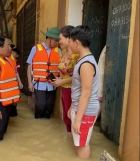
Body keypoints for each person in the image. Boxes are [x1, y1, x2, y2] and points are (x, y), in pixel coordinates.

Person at [67, 25, 99, 159]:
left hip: (85, 112)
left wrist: (78, 119)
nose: (69, 46)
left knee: (82, 145)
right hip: (80, 109)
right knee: (79, 143)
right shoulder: (82, 60)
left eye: (69, 42)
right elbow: (78, 88)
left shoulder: (86, 64)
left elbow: (86, 93)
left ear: (77, 42)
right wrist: (71, 107)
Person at [27, 27, 61, 119]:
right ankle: (38, 120)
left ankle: (46, 122)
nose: (57, 43)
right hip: (39, 83)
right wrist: (30, 83)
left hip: (52, 84)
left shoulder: (58, 50)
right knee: (41, 105)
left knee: (49, 106)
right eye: (55, 40)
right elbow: (29, 66)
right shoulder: (35, 48)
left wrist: (61, 80)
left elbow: (61, 67)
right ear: (48, 38)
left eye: (58, 40)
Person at [51, 26, 79, 137]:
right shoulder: (63, 52)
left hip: (73, 89)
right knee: (66, 117)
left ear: (69, 39)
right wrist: (60, 80)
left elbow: (79, 76)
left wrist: (62, 82)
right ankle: (69, 141)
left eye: (61, 38)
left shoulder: (76, 55)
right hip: (64, 89)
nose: (59, 41)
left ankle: (74, 142)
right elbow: (66, 73)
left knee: (71, 116)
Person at [10, 48, 22, 116]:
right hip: (8, 83)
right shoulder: (7, 61)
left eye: (14, 53)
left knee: (15, 98)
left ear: (17, 55)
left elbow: (16, 73)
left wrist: (19, 82)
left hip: (15, 82)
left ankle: (13, 112)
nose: (12, 53)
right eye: (12, 52)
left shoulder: (17, 64)